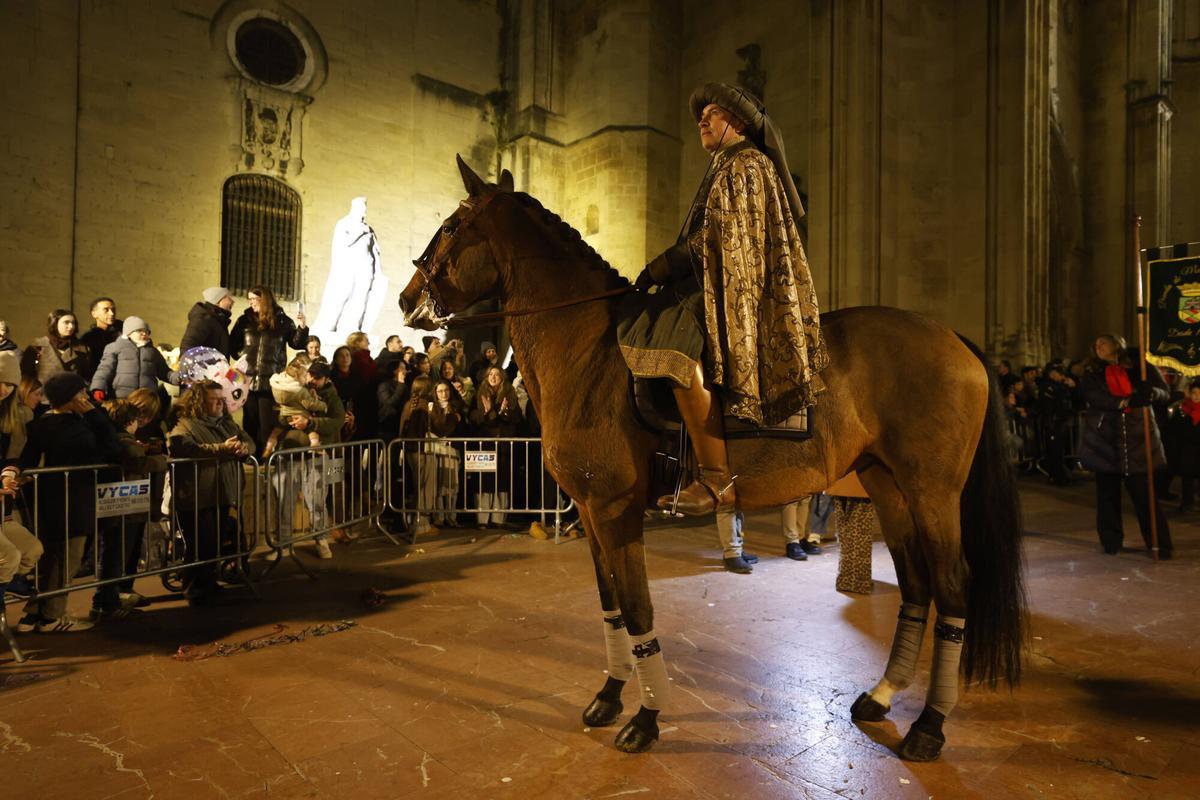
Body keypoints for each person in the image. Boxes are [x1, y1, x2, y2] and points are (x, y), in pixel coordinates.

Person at [617, 83, 827, 515]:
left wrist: (663, 265)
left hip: (738, 284)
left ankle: (716, 477)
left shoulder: (744, 163)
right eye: (702, 114)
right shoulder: (726, 165)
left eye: (712, 113)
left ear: (739, 123)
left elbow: (718, 237)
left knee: (672, 338)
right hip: (717, 276)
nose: (702, 120)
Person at [15, 372, 121, 632]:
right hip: (75, 495)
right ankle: (52, 616)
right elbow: (111, 447)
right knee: (69, 556)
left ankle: (34, 613)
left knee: (52, 557)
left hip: (51, 495)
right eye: (81, 392)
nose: (86, 396)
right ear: (69, 397)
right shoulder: (75, 426)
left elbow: (28, 456)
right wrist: (95, 415)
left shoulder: (44, 423)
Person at [1078, 334, 1174, 559]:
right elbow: (1094, 397)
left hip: (1137, 436)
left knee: (1144, 495)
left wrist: (1152, 393)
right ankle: (1111, 541)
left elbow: (1164, 392)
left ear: (1117, 344)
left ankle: (1159, 544)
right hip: (1105, 438)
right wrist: (1123, 402)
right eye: (1096, 344)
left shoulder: (1141, 367)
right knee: (1107, 495)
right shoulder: (1092, 372)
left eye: (1104, 342)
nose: (1099, 346)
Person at [167, 380, 255, 604]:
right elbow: (183, 447)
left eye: (221, 399)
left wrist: (244, 448)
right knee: (200, 546)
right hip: (197, 495)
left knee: (214, 543)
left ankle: (208, 584)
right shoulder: (184, 424)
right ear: (199, 402)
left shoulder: (227, 423)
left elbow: (248, 440)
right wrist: (222, 449)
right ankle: (195, 590)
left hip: (222, 492)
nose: (219, 404)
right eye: (213, 400)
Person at [91, 399, 167, 619]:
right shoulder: (123, 440)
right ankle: (106, 602)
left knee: (117, 553)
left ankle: (112, 597)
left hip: (125, 504)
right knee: (116, 554)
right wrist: (160, 460)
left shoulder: (113, 439)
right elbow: (138, 463)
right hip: (125, 504)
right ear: (131, 421)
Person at [271, 360, 345, 559]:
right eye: (310, 375)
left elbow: (336, 422)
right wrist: (286, 416)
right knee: (284, 502)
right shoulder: (294, 390)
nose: (312, 379)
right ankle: (283, 544)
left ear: (326, 379)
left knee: (317, 501)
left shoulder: (332, 398)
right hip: (290, 453)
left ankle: (321, 540)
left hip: (315, 457)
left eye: (317, 377)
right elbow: (280, 417)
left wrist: (310, 423)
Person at [229, 285, 309, 452]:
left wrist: (302, 328)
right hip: (247, 380)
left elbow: (297, 344)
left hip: (271, 380)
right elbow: (233, 344)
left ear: (264, 300)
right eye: (249, 299)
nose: (251, 302)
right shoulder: (244, 320)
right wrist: (243, 357)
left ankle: (266, 458)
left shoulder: (283, 321)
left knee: (267, 424)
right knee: (250, 421)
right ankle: (251, 456)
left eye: (254, 299)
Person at [0, 352, 41, 601]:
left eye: (10, 384)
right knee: (9, 556)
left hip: (3, 507)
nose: (4, 389)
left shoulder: (11, 417)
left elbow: (12, 459)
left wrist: (9, 474)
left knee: (32, 549)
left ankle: (9, 586)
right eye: (1, 382)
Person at [469, 366, 523, 528]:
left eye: (496, 374)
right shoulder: (479, 394)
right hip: (485, 444)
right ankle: (482, 519)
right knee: (484, 482)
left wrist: (505, 412)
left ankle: (498, 519)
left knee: (502, 481)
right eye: (490, 374)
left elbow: (517, 418)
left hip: (503, 445)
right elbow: (471, 416)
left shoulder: (510, 393)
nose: (493, 377)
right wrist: (485, 412)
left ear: (502, 377)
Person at [89, 317, 181, 400]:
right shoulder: (115, 348)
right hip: (121, 398)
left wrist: (178, 378)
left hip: (146, 399)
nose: (144, 333)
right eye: (139, 331)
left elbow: (165, 372)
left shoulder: (152, 351)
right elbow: (105, 369)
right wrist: (98, 387)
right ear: (129, 333)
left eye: (147, 331)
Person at [263, 354, 324, 456]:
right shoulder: (299, 390)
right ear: (296, 376)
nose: (306, 379)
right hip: (299, 416)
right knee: (312, 429)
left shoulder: (278, 382)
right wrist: (323, 405)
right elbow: (310, 404)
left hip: (282, 416)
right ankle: (314, 446)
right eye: (305, 376)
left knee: (275, 432)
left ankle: (268, 448)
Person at [21, 309, 92, 388]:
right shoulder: (37, 346)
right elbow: (26, 375)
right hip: (44, 393)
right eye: (66, 322)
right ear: (55, 323)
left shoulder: (82, 349)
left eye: (73, 323)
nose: (71, 326)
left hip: (72, 393)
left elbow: (87, 376)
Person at [429, 379, 465, 526]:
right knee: (438, 484)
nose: (443, 394)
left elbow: (461, 428)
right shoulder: (431, 407)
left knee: (451, 484)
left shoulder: (456, 407)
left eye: (446, 390)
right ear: (435, 393)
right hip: (436, 449)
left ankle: (451, 516)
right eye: (440, 391)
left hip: (451, 448)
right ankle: (439, 516)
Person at [1038, 362, 1077, 485]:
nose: (1060, 377)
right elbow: (1055, 399)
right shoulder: (1047, 386)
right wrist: (1066, 385)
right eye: (1056, 374)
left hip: (1061, 422)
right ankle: (1056, 476)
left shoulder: (1061, 386)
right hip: (1053, 422)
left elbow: (1071, 400)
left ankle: (1061, 474)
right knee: (1054, 450)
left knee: (1060, 450)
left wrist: (1072, 387)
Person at [1169, 380, 1200, 512]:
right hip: (1187, 448)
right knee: (1187, 476)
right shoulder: (1182, 409)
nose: (1197, 396)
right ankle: (1187, 503)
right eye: (1194, 393)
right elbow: (1174, 429)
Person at [179, 287, 234, 354]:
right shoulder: (203, 319)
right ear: (217, 301)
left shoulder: (218, 320)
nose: (233, 301)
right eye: (228, 298)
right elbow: (188, 346)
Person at [79, 297, 122, 379]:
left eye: (113, 309)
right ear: (94, 314)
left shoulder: (124, 332)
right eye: (106, 310)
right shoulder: (88, 339)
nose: (111, 313)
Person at [377, 359, 410, 441]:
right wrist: (400, 384)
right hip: (388, 427)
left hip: (401, 424)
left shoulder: (404, 386)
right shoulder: (384, 386)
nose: (405, 371)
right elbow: (389, 403)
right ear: (395, 371)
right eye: (402, 368)